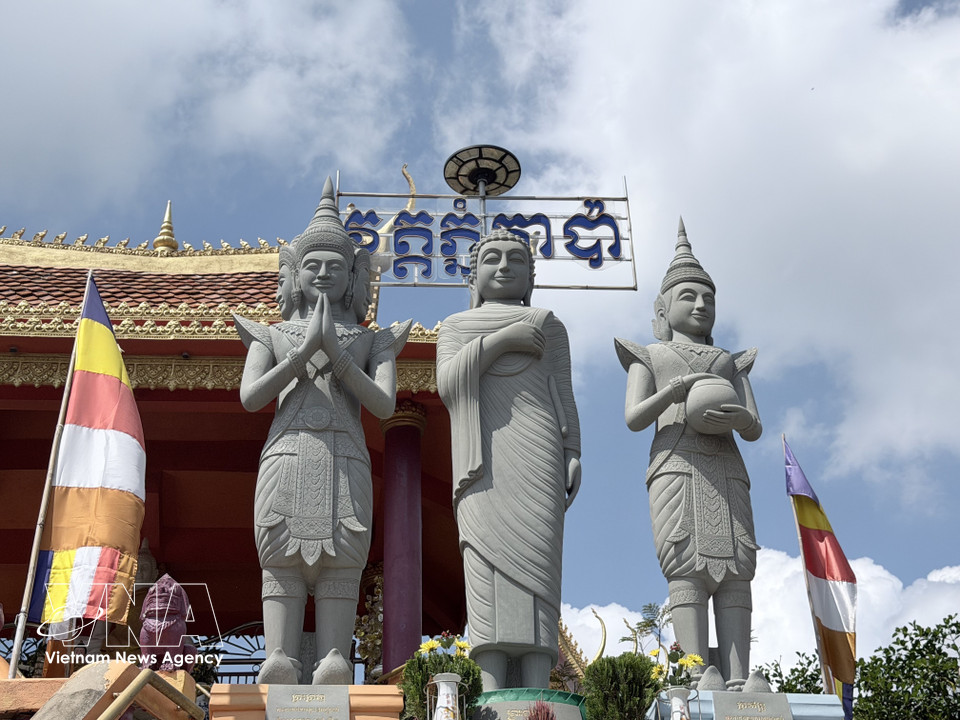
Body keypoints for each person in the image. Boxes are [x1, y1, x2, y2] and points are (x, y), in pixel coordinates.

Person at [235, 178, 410, 685]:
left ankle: (336, 655)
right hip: (287, 452)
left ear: (355, 276)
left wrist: (334, 351)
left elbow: (383, 404)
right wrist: (302, 351)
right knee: (281, 552)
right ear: (293, 274)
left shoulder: (370, 340)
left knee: (342, 553)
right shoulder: (270, 334)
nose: (325, 273)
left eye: (337, 266)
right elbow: (252, 397)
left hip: (344, 454)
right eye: (313, 266)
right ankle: (280, 656)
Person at [615, 219, 762, 690]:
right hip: (676, 462)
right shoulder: (651, 357)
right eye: (688, 297)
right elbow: (635, 418)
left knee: (738, 568)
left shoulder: (729, 362)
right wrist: (675, 391)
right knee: (686, 565)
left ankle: (740, 675)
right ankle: (697, 669)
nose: (700, 306)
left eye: (708, 299)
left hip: (726, 464)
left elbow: (754, 426)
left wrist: (736, 418)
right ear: (662, 308)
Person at [437, 228, 581, 691]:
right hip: (483, 459)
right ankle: (490, 688)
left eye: (516, 259)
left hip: (538, 449)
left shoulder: (548, 324)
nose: (503, 267)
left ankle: (540, 689)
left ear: (530, 275)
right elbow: (446, 384)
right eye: (492, 259)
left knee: (539, 564)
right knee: (484, 559)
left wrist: (573, 450)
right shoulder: (456, 326)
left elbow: (564, 394)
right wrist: (501, 340)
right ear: (474, 275)